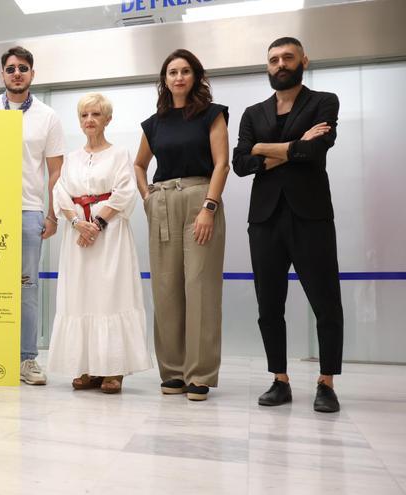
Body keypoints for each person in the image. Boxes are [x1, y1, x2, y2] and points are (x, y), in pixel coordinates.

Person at [233, 37, 343, 413]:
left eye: (288, 58)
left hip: (310, 216)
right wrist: (291, 147)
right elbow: (240, 164)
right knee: (269, 304)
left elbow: (315, 151)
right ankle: (279, 379)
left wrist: (263, 148)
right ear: (268, 66)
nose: (280, 64)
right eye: (274, 59)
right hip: (264, 219)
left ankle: (326, 382)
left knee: (325, 301)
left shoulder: (324, 102)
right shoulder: (253, 112)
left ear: (303, 61)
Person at [133, 49, 230, 401]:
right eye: (172, 72)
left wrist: (209, 206)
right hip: (162, 202)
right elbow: (140, 165)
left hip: (199, 198)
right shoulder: (154, 123)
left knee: (200, 287)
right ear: (164, 79)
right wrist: (147, 197)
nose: (178, 77)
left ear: (195, 76)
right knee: (166, 289)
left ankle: (200, 374)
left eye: (185, 71)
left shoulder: (212, 115)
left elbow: (222, 165)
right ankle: (172, 372)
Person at [47, 93, 152, 393]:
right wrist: (76, 222)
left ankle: (113, 369)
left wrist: (97, 224)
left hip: (110, 235)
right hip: (77, 234)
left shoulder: (120, 154)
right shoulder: (71, 159)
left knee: (110, 295)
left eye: (95, 114)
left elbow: (124, 192)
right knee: (81, 296)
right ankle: (88, 367)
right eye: (84, 115)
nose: (89, 120)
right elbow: (60, 192)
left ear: (107, 119)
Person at [0, 46, 65, 385]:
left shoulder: (48, 116)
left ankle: (27, 360)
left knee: (27, 289)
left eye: (23, 68)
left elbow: (56, 172)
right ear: (2, 74)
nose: (16, 73)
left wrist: (53, 215)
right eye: (10, 68)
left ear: (32, 74)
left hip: (28, 212)